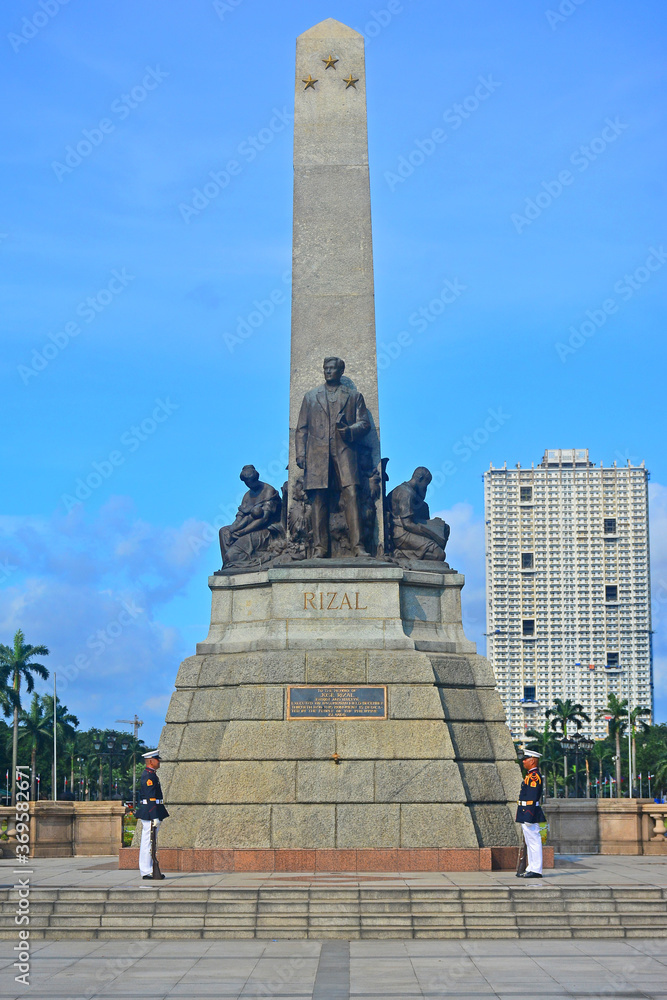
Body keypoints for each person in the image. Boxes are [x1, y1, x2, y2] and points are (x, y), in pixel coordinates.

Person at [295, 357, 371, 558]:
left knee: (352, 494)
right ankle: (320, 548)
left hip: (344, 451)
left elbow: (364, 423)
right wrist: (300, 454)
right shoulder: (311, 397)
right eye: (326, 368)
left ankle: (358, 546)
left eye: (332, 368)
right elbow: (301, 428)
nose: (328, 371)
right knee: (318, 498)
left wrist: (350, 430)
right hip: (317, 454)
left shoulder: (354, 396)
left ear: (341, 371)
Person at [218, 465, 284, 570]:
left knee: (232, 554)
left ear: (256, 478)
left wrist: (242, 531)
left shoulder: (268, 491)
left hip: (266, 531)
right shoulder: (247, 495)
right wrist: (234, 528)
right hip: (247, 527)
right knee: (224, 531)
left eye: (251, 481)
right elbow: (240, 515)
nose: (249, 485)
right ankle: (229, 565)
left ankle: (235, 561)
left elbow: (264, 519)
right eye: (247, 482)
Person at [387, 467, 450, 563]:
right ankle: (399, 554)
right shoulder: (406, 493)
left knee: (445, 529)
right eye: (426, 484)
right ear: (420, 479)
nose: (425, 488)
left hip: (408, 530)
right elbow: (407, 524)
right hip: (400, 533)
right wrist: (432, 534)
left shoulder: (412, 493)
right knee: (439, 554)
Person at [135, 750, 169, 880]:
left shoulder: (151, 774)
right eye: (157, 759)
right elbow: (151, 798)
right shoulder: (148, 776)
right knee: (148, 842)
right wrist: (154, 816)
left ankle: (149, 869)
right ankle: (146, 870)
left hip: (153, 810)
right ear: (150, 761)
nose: (159, 762)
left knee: (151, 841)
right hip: (150, 812)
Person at [515, 750, 546, 879]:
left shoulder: (534, 776)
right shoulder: (530, 775)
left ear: (532, 761)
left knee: (534, 841)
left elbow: (532, 798)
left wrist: (528, 814)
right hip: (525, 811)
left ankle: (536, 869)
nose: (523, 761)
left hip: (529, 812)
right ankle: (531, 867)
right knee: (529, 841)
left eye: (526, 759)